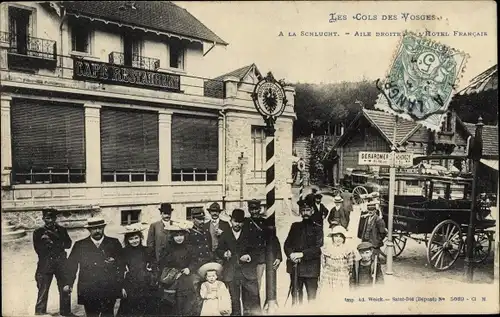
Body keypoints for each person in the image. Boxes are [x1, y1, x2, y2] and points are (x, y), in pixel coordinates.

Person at [65, 217, 124, 317]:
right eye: (94, 228)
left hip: (109, 288)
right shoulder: (80, 245)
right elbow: (71, 266)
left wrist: (121, 284)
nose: (97, 231)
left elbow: (121, 266)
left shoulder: (114, 243)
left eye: (100, 228)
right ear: (89, 230)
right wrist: (68, 283)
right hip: (88, 288)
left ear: (103, 228)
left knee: (108, 314)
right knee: (92, 314)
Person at [216, 209, 261, 316]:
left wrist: (249, 256)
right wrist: (224, 254)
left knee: (250, 302)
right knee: (234, 301)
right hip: (231, 273)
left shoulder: (250, 234)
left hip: (247, 273)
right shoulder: (225, 234)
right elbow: (218, 250)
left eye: (240, 222)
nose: (237, 224)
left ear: (243, 222)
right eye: (235, 221)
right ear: (231, 221)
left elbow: (258, 250)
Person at [33, 207, 73, 317]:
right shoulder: (38, 232)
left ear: (55, 218)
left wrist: (54, 240)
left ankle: (66, 312)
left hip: (61, 264)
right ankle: (40, 312)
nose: (50, 220)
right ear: (43, 218)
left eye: (52, 218)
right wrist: (57, 244)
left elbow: (68, 244)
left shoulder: (62, 230)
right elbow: (39, 250)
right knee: (43, 289)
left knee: (65, 288)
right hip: (46, 264)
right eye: (47, 218)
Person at [284, 195, 323, 305]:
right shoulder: (295, 226)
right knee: (296, 298)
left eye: (307, 210)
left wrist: (301, 254)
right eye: (303, 210)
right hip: (296, 268)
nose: (305, 213)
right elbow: (287, 244)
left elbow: (317, 249)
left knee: (312, 299)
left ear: (312, 211)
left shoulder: (318, 228)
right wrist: (291, 254)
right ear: (300, 212)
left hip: (311, 270)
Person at [158, 222, 198, 316]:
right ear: (172, 237)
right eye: (176, 236)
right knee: (171, 306)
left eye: (181, 235)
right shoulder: (167, 249)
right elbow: (161, 263)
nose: (179, 238)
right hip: (171, 280)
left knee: (186, 304)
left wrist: (190, 268)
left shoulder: (189, 248)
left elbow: (195, 261)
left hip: (185, 279)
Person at [117, 223, 157, 317]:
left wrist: (151, 274)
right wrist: (122, 287)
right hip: (130, 285)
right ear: (127, 240)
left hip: (146, 284)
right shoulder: (124, 252)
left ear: (140, 238)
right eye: (131, 239)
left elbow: (154, 265)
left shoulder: (147, 250)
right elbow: (120, 270)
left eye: (136, 238)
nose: (134, 241)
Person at [244, 199, 282, 294]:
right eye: (251, 209)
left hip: (262, 257)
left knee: (259, 283)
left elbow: (274, 239)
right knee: (249, 283)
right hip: (249, 258)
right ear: (249, 210)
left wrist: (278, 256)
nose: (254, 211)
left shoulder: (265, 222)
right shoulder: (245, 223)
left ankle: (258, 304)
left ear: (259, 209)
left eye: (256, 209)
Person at [318, 226, 358, 300]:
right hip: (328, 276)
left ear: (344, 238)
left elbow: (350, 265)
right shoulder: (326, 249)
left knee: (340, 296)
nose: (338, 239)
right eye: (336, 236)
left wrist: (343, 271)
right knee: (328, 296)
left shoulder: (348, 249)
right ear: (332, 237)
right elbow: (323, 264)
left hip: (342, 276)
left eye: (341, 236)